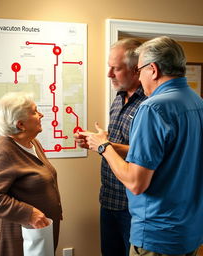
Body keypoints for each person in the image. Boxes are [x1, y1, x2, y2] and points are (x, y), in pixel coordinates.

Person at [80, 36, 203, 256]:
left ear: (153, 70)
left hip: (157, 234)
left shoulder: (152, 108)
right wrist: (109, 145)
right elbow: (166, 155)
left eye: (139, 69)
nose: (139, 75)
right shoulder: (197, 102)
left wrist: (104, 147)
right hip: (188, 232)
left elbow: (136, 183)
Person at [74, 38, 146, 256]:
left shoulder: (149, 105)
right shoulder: (118, 98)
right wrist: (98, 143)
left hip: (133, 205)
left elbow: (145, 153)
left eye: (116, 68)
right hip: (108, 198)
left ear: (136, 70)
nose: (109, 74)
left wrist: (105, 145)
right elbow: (119, 146)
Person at [0, 91, 62, 256]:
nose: (41, 115)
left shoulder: (32, 142)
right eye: (34, 112)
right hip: (13, 240)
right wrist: (29, 213)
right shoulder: (3, 152)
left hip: (35, 234)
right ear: (20, 125)